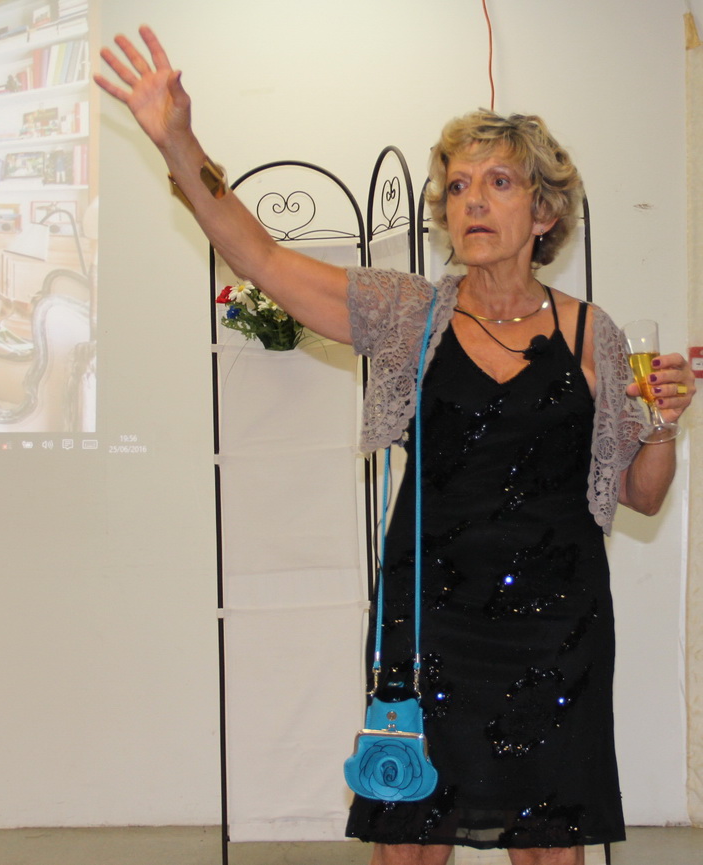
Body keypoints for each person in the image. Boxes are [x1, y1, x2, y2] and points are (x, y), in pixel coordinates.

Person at [95, 25, 697, 865]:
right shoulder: (408, 312)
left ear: (545, 212)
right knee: (408, 838)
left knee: (549, 846)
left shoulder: (594, 333)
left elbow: (642, 492)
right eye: (458, 186)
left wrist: (663, 421)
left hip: (557, 626)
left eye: (498, 182)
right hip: (430, 621)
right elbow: (259, 255)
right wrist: (177, 141)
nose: (472, 201)